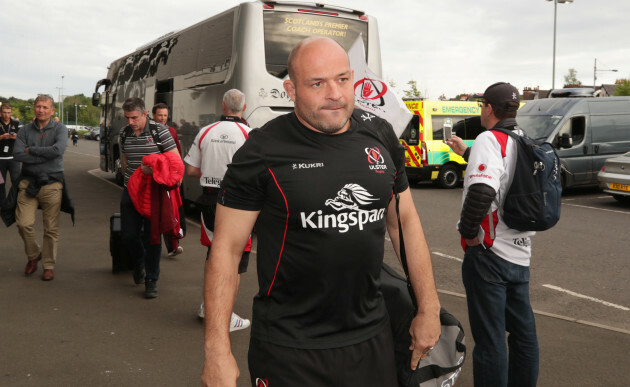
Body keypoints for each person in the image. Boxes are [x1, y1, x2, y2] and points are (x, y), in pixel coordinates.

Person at [201, 37, 441, 387]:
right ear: (291, 89)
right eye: (317, 83)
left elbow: (404, 221)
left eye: (343, 79)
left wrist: (428, 307)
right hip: (289, 350)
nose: (336, 93)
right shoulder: (262, 151)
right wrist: (217, 349)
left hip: (371, 339)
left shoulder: (380, 136)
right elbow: (226, 249)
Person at [456, 82, 539, 386]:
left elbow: (483, 189)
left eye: (482, 105)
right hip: (520, 253)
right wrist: (467, 153)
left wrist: (468, 233)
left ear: (489, 108)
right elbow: (504, 175)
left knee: (490, 340)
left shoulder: (489, 138)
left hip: (490, 254)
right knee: (523, 335)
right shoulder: (523, 140)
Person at [184, 89, 252, 331]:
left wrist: (212, 173)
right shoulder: (249, 133)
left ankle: (207, 306)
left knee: (213, 255)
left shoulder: (205, 131)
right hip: (239, 204)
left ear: (223, 107)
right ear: (243, 108)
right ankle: (226, 315)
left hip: (209, 200)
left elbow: (191, 170)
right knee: (235, 259)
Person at [119, 97, 178, 298]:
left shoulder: (160, 132)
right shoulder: (124, 133)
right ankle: (139, 263)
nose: (130, 122)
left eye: (134, 117)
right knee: (128, 235)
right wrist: (128, 181)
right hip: (131, 190)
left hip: (154, 192)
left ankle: (151, 279)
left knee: (152, 238)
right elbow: (126, 162)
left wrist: (153, 168)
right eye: (127, 118)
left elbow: (176, 162)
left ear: (145, 114)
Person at [12, 95, 70, 281]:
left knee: (51, 228)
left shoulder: (60, 129)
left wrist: (32, 150)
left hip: (52, 184)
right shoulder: (25, 130)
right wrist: (44, 155)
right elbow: (18, 154)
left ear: (52, 110)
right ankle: (34, 254)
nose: (41, 110)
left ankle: (48, 265)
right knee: (23, 223)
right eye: (38, 106)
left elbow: (57, 151)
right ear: (34, 108)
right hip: (28, 183)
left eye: (45, 107)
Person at [152, 103, 186, 258]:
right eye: (160, 115)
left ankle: (173, 246)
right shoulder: (149, 131)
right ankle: (154, 246)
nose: (163, 118)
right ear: (153, 115)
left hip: (168, 178)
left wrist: (180, 175)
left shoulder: (171, 131)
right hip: (153, 177)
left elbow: (177, 154)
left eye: (165, 115)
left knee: (171, 212)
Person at [0, 103, 21, 207]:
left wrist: (16, 137)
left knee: (17, 181)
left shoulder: (17, 123)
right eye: (4, 112)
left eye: (8, 112)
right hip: (0, 159)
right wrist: (2, 137)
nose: (6, 115)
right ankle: (2, 204)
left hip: (14, 158)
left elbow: (23, 139)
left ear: (11, 112)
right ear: (0, 113)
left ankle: (14, 202)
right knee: (0, 183)